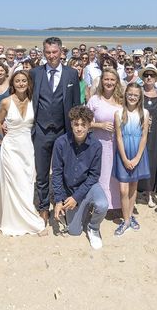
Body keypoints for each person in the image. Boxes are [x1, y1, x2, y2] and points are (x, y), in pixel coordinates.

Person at [30, 37, 81, 223]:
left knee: (64, 171)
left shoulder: (71, 74)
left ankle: (63, 204)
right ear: (44, 53)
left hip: (63, 131)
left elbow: (76, 104)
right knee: (42, 173)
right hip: (41, 131)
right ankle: (44, 207)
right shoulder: (35, 73)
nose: (51, 56)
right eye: (48, 52)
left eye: (54, 52)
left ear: (61, 52)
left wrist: (76, 131)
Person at [0, 70, 46, 236]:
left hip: (28, 147)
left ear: (28, 83)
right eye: (17, 81)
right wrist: (4, 137)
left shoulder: (33, 101)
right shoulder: (6, 102)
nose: (21, 84)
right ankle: (24, 220)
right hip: (11, 148)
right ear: (12, 84)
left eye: (24, 80)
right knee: (14, 182)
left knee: (27, 182)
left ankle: (24, 213)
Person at [52, 106, 108, 249]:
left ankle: (93, 227)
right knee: (74, 231)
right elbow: (57, 173)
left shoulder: (96, 145)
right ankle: (82, 209)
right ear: (71, 124)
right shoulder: (60, 143)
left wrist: (77, 197)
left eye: (83, 124)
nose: (79, 128)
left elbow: (94, 175)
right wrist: (59, 200)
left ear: (90, 125)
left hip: (88, 186)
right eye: (76, 124)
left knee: (102, 204)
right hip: (69, 189)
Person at [113, 83, 150, 236]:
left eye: (136, 95)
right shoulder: (119, 112)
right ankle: (126, 218)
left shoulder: (145, 113)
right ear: (125, 94)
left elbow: (144, 137)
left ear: (140, 96)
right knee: (123, 189)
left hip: (138, 153)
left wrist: (137, 158)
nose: (132, 97)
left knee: (134, 186)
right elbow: (119, 137)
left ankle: (129, 217)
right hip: (123, 152)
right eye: (130, 94)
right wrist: (125, 158)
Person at [87, 68, 124, 211]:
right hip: (100, 144)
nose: (109, 82)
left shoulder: (122, 100)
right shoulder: (94, 100)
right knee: (102, 175)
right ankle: (102, 205)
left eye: (112, 80)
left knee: (116, 175)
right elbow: (85, 122)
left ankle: (117, 204)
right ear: (101, 81)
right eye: (106, 79)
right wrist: (100, 125)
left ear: (117, 82)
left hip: (118, 144)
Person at [137, 64, 157, 207]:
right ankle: (136, 191)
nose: (149, 77)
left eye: (152, 75)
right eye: (146, 75)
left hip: (155, 134)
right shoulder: (138, 92)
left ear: (155, 78)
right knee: (137, 160)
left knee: (152, 163)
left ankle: (149, 193)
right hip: (139, 132)